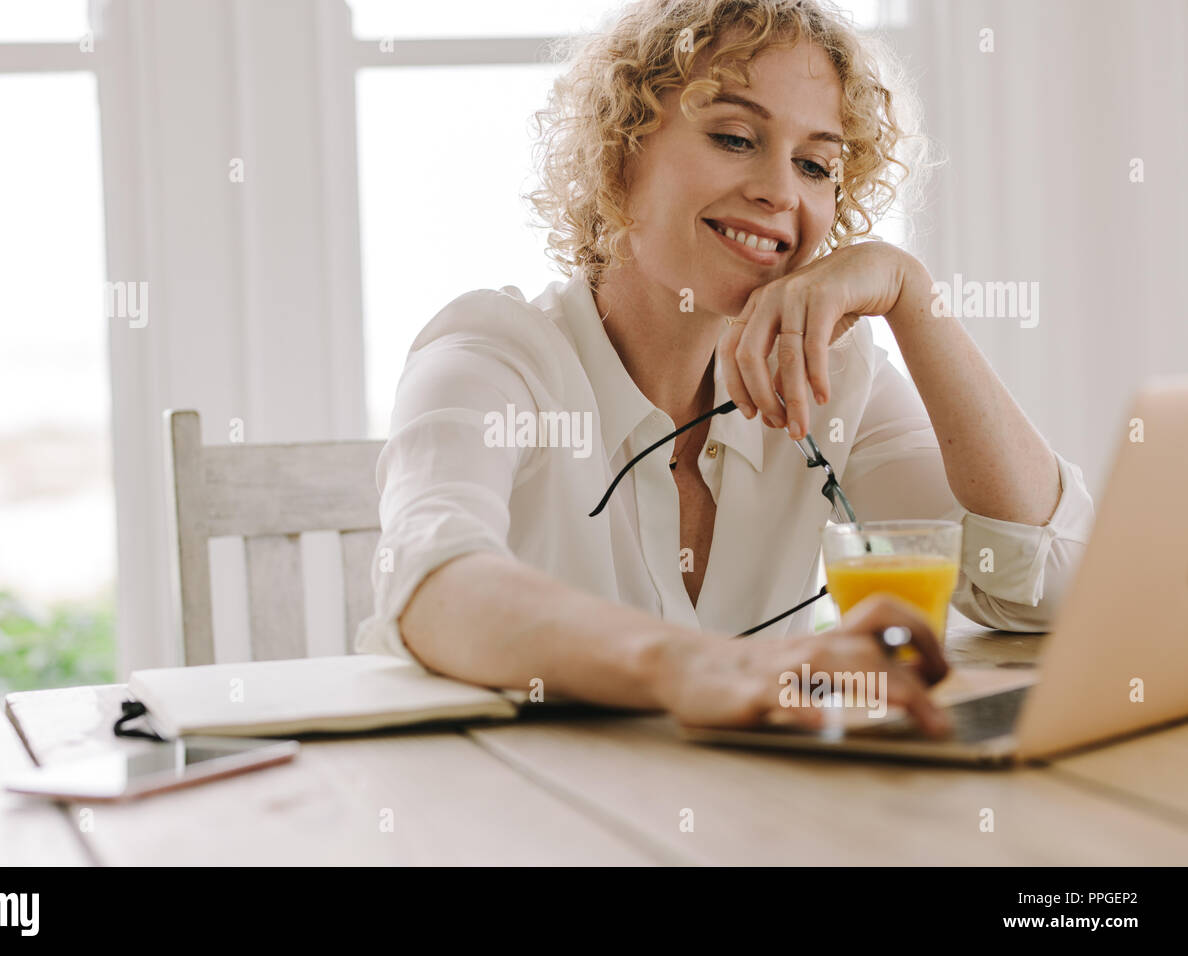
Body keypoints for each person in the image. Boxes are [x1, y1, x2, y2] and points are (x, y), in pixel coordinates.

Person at [355, 0, 1094, 735]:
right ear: (620, 151)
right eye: (735, 137)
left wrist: (911, 295)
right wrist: (696, 666)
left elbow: (1046, 586)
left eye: (815, 164)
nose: (780, 190)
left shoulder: (829, 374)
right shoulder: (493, 354)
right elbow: (429, 580)